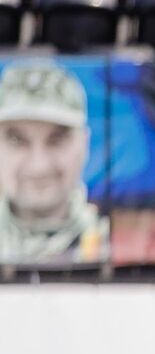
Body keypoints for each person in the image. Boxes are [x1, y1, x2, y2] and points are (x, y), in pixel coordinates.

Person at [0, 61, 108, 264]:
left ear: (84, 144)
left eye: (57, 139)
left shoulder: (114, 247)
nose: (38, 165)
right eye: (16, 140)